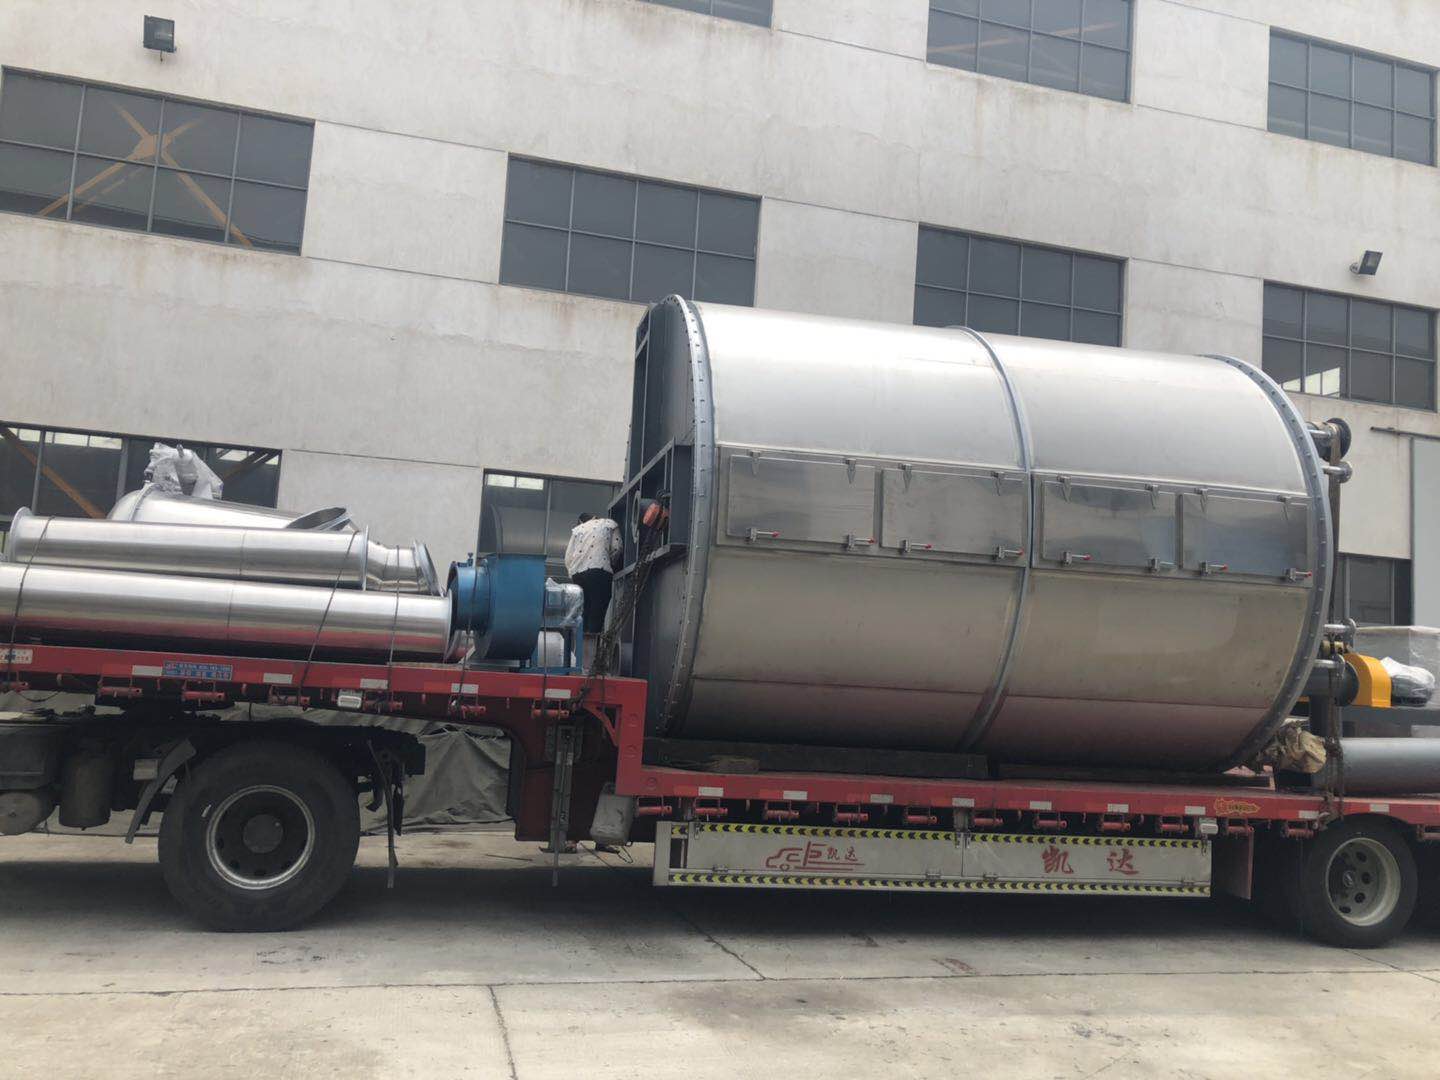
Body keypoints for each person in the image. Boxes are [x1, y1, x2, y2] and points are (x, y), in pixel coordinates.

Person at [565, 512, 621, 634]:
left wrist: (572, 573)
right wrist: (610, 563)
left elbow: (568, 556)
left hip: (578, 574)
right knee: (598, 606)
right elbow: (617, 548)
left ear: (580, 522)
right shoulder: (609, 524)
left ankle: (582, 638)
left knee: (583, 609)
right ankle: (593, 638)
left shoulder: (577, 530)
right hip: (599, 570)